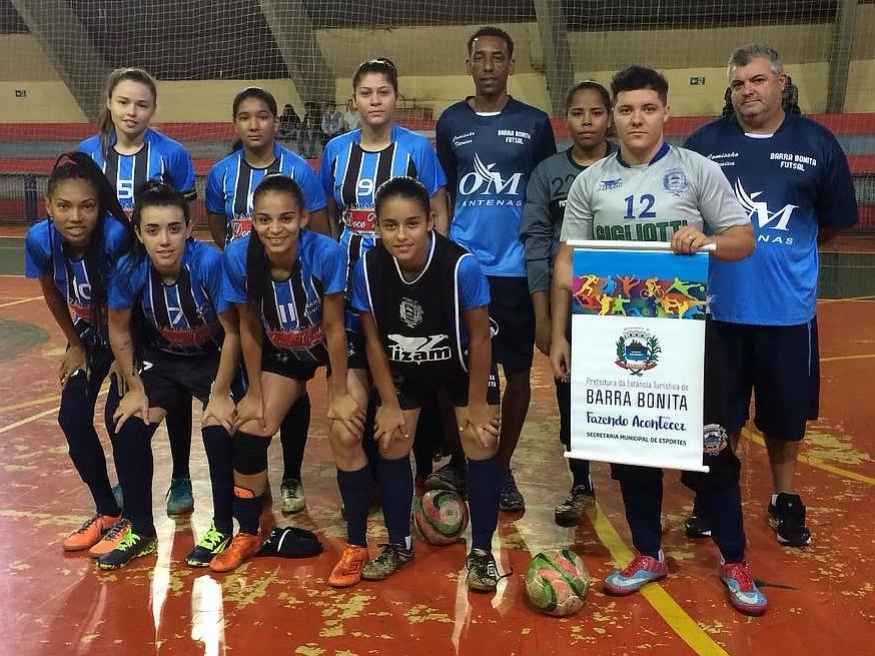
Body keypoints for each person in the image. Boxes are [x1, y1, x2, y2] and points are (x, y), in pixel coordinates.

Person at [550, 65, 767, 615]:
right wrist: (559, 334)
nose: (636, 119)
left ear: (666, 112)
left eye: (647, 108)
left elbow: (745, 239)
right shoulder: (590, 181)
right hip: (614, 335)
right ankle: (649, 553)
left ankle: (734, 559)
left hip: (689, 332)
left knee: (709, 446)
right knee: (632, 446)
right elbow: (566, 265)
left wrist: (708, 241)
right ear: (614, 117)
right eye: (626, 110)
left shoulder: (696, 171)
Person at [684, 44, 857, 547]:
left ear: (781, 84)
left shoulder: (818, 143)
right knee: (720, 414)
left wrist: (781, 255)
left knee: (785, 417)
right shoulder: (704, 143)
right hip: (718, 311)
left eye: (757, 81)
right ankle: (716, 496)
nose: (747, 92)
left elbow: (831, 224)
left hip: (787, 312)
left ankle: (784, 497)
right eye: (738, 84)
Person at [352, 176, 503, 591]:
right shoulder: (367, 268)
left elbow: (478, 337)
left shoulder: (461, 266)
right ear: (377, 227)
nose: (402, 235)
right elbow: (371, 339)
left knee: (481, 440)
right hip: (407, 365)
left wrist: (476, 403)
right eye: (390, 225)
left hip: (463, 365)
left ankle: (483, 552)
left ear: (432, 220)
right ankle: (399, 544)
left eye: (412, 223)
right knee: (391, 439)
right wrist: (387, 402)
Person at [212, 175, 365, 575]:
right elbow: (249, 327)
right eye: (264, 220)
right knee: (250, 429)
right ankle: (248, 532)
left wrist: (337, 393)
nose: (275, 229)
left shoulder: (325, 253)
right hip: (283, 348)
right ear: (253, 221)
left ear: (302, 218)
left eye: (285, 219)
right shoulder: (239, 256)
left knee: (346, 429)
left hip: (333, 344)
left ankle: (357, 544)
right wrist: (255, 392)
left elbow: (334, 328)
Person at [435, 26, 556, 511]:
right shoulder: (450, 122)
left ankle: (501, 467)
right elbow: (442, 190)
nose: (488, 65)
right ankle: (464, 463)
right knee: (456, 371)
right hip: (464, 267)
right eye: (480, 57)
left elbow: (546, 190)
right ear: (469, 64)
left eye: (497, 57)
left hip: (516, 268)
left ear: (512, 64)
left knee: (518, 371)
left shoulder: (534, 122)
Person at [321, 57, 449, 490]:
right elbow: (328, 215)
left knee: (407, 367)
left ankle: (422, 462)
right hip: (351, 274)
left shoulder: (416, 149)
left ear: (396, 97)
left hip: (405, 276)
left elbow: (438, 212)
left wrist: (432, 271)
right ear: (353, 100)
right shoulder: (336, 150)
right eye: (366, 93)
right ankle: (374, 473)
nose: (375, 101)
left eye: (384, 92)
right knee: (361, 362)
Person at [99, 181, 239, 570]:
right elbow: (119, 329)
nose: (165, 240)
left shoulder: (208, 263)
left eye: (174, 229)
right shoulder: (130, 269)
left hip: (212, 358)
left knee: (217, 428)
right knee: (128, 425)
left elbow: (234, 332)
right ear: (140, 234)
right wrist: (135, 386)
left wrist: (222, 392)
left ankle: (223, 527)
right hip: (164, 359)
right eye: (154, 230)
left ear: (189, 228)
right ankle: (142, 530)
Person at [78, 67, 198, 517]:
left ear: (153, 108)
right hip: (111, 293)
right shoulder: (89, 156)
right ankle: (130, 479)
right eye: (124, 102)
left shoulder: (173, 154)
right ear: (109, 102)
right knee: (121, 398)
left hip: (160, 290)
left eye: (142, 104)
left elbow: (183, 223)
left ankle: (182, 475)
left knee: (176, 383)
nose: (132, 111)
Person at [205, 87, 330, 515]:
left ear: (276, 121)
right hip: (256, 296)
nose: (254, 124)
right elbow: (217, 225)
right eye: (245, 117)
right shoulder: (222, 173)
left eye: (262, 116)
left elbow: (322, 232)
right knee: (262, 391)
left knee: (304, 389)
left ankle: (293, 473)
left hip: (303, 300)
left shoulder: (300, 171)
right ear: (235, 123)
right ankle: (252, 489)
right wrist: (242, 264)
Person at [24, 152, 131, 555]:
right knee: (71, 416)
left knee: (119, 417)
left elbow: (128, 309)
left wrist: (127, 360)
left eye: (86, 206)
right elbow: (51, 290)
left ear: (100, 207)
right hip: (90, 333)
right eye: (64, 206)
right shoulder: (40, 239)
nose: (75, 217)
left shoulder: (115, 238)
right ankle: (106, 509)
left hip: (129, 332)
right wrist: (75, 342)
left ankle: (134, 516)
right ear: (49, 207)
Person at [519, 80, 615, 525]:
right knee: (572, 397)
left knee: (630, 389)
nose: (588, 122)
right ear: (566, 120)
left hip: (624, 307)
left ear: (609, 117)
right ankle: (580, 482)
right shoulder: (547, 173)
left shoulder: (628, 166)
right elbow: (538, 245)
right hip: (571, 309)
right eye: (578, 113)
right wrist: (544, 316)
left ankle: (635, 481)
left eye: (596, 113)